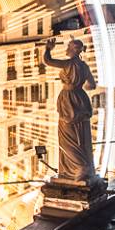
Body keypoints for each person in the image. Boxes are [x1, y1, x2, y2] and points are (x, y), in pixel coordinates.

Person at [43, 37, 97, 183]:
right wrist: (79, 87)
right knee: (80, 135)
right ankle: (80, 166)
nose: (66, 49)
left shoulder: (68, 64)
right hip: (80, 99)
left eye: (69, 47)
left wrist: (48, 48)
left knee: (67, 138)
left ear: (74, 49)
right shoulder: (84, 66)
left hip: (68, 100)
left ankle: (80, 167)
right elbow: (92, 85)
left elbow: (48, 61)